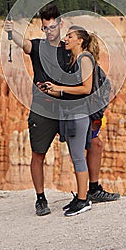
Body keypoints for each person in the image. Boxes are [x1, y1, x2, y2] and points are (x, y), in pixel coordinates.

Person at [4, 4, 120, 216]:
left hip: (69, 109)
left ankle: (92, 189)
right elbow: (24, 44)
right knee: (38, 153)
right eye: (45, 28)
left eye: (52, 27)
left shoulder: (69, 48)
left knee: (95, 143)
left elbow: (88, 76)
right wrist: (11, 32)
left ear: (61, 25)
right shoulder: (38, 47)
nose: (49, 31)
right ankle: (40, 199)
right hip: (44, 110)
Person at [43, 26, 97, 216]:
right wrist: (53, 90)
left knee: (78, 158)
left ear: (80, 40)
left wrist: (61, 88)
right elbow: (72, 88)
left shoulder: (85, 59)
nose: (65, 39)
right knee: (77, 158)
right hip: (72, 113)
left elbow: (86, 88)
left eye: (70, 36)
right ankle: (81, 196)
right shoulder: (75, 59)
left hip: (79, 114)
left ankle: (84, 200)